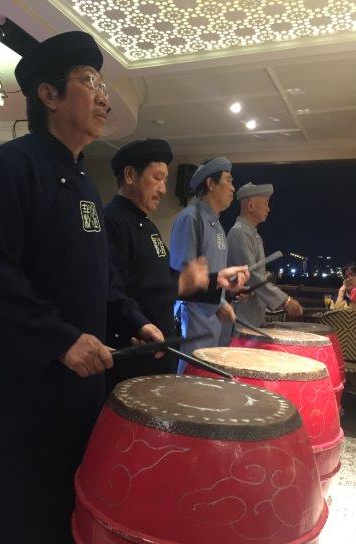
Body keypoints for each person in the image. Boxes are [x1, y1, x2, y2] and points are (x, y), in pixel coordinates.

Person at [0, 31, 147, 544]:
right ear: (49, 94)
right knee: (10, 510)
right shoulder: (11, 167)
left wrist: (133, 319)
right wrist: (60, 339)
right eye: (89, 81)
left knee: (52, 503)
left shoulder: (85, 179)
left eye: (102, 83)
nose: (103, 95)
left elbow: (97, 276)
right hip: (21, 379)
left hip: (73, 382)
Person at [104, 140, 249, 387]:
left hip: (158, 351)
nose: (162, 189)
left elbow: (165, 280)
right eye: (157, 178)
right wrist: (138, 323)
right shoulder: (112, 220)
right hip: (134, 353)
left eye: (165, 180)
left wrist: (215, 281)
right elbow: (110, 289)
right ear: (129, 175)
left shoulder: (147, 225)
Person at [169, 157, 238, 364]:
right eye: (229, 181)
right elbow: (184, 276)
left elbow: (213, 273)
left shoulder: (216, 224)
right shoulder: (190, 218)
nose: (233, 188)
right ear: (210, 183)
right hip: (194, 319)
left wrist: (228, 291)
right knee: (190, 382)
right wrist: (219, 304)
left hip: (214, 318)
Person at [226, 182, 303, 330]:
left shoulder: (254, 235)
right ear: (251, 206)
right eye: (266, 203)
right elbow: (251, 275)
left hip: (253, 315)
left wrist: (264, 275)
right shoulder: (239, 232)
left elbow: (254, 274)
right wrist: (285, 301)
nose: (269, 209)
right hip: (241, 316)